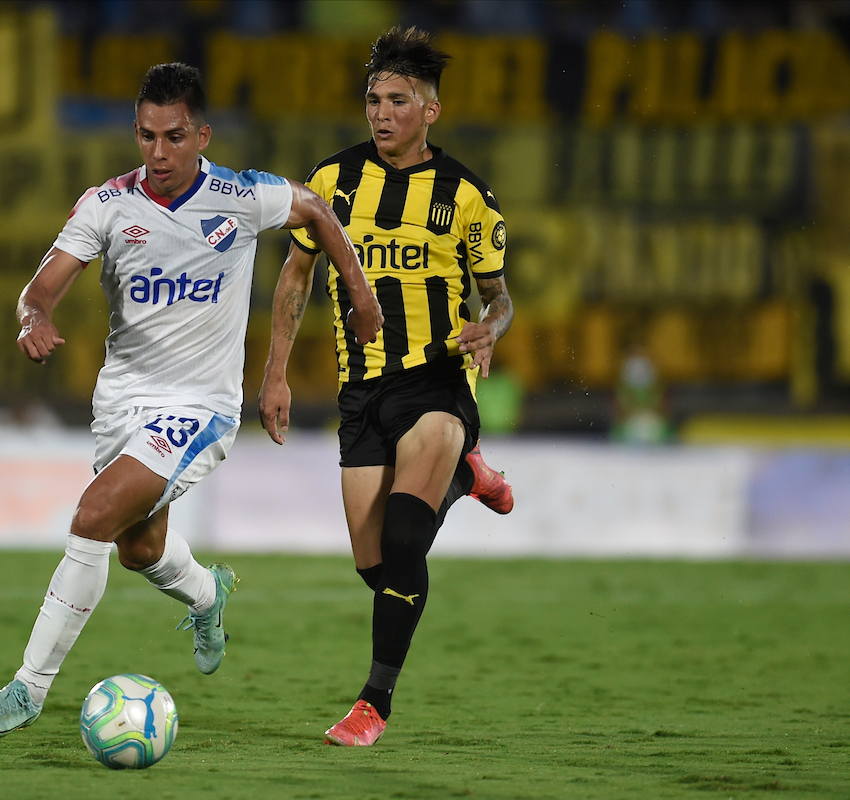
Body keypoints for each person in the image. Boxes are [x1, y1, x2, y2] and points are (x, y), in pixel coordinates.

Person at [0, 62, 383, 740]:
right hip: (122, 401)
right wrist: (32, 319)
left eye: (175, 136)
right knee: (138, 548)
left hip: (200, 407)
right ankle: (209, 595)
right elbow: (41, 287)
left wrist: (359, 295)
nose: (159, 152)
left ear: (202, 135)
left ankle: (27, 690)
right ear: (136, 132)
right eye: (148, 136)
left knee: (93, 515)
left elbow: (318, 210)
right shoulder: (106, 204)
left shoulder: (241, 196)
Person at [257, 27, 515, 747]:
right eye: (373, 98)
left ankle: (373, 704)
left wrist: (491, 325)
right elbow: (297, 275)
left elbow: (499, 297)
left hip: (435, 385)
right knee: (379, 569)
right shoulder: (333, 181)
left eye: (398, 99)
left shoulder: (465, 196)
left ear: (429, 110)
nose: (381, 112)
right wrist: (275, 371)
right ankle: (466, 480)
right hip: (361, 392)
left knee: (405, 541)